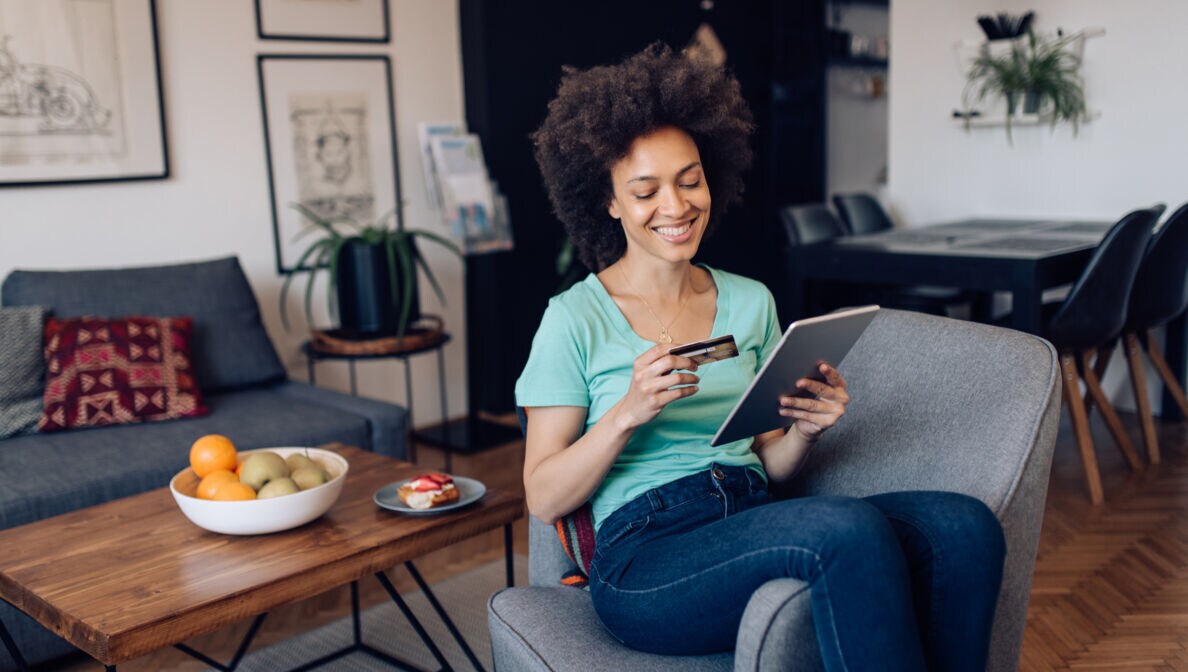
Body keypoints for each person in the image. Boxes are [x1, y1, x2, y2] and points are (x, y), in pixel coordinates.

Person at [516, 43, 1005, 671]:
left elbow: (771, 461)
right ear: (607, 201)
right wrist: (625, 415)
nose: (676, 206)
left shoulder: (750, 302)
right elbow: (544, 496)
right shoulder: (573, 319)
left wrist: (804, 428)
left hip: (750, 514)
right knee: (842, 532)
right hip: (644, 557)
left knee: (962, 528)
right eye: (645, 191)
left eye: (691, 180)